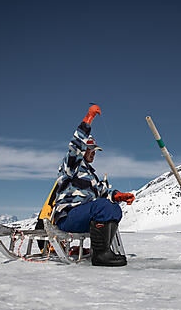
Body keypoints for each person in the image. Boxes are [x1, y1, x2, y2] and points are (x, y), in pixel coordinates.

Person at [52, 104, 135, 267]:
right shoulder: (72, 165)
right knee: (102, 206)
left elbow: (104, 194)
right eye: (91, 150)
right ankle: (100, 255)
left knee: (114, 209)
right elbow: (75, 145)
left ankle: (103, 250)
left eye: (95, 150)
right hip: (68, 216)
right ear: (83, 150)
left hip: (84, 216)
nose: (94, 153)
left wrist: (119, 196)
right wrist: (88, 119)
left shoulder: (91, 175)